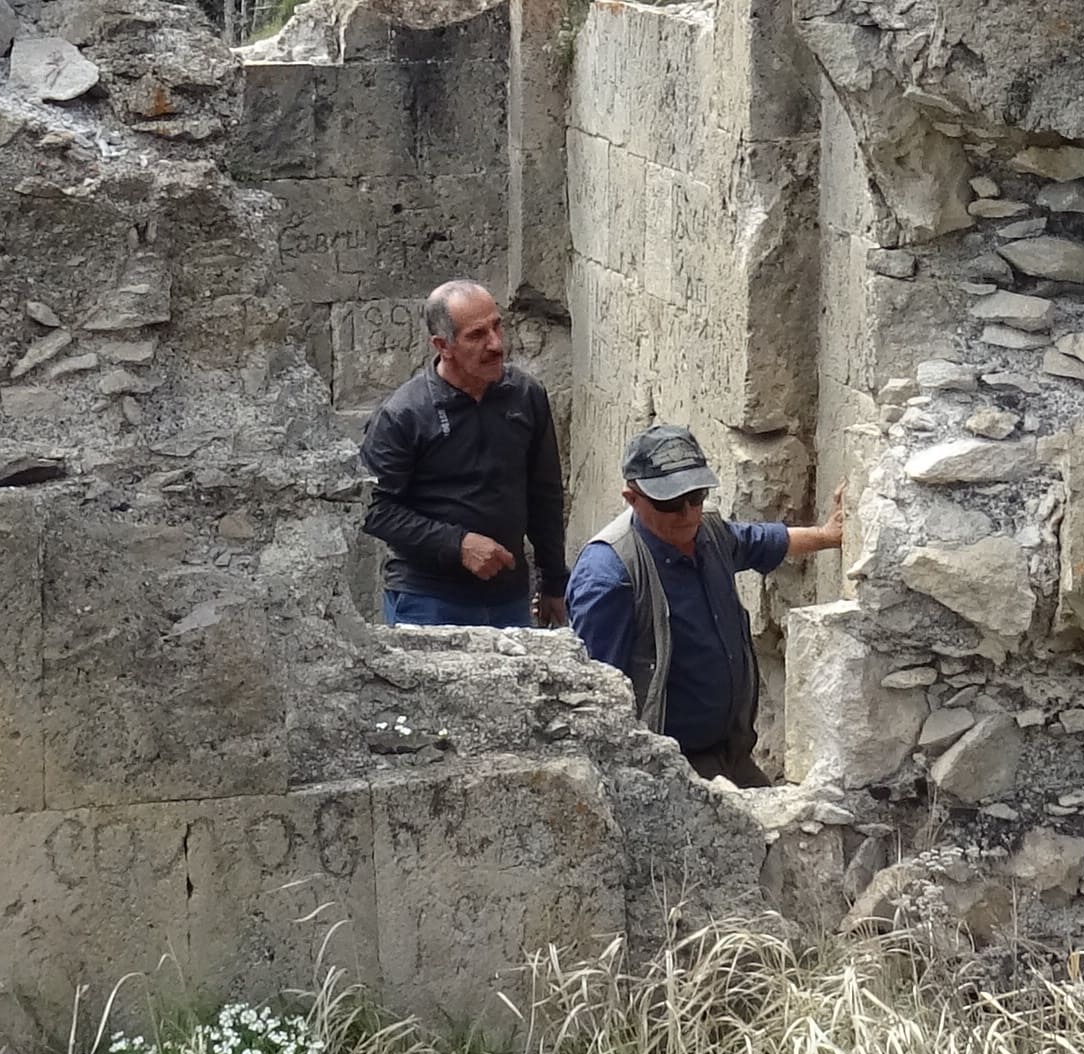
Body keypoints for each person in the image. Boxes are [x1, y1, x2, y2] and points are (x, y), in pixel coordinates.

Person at [566, 424, 848, 784]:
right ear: (632, 498)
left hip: (729, 753)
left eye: (696, 496)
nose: (687, 513)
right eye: (670, 502)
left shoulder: (709, 532)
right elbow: (598, 699)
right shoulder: (610, 576)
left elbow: (755, 541)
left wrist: (827, 535)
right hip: (667, 769)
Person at [358, 279, 567, 628]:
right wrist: (457, 544)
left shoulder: (525, 396)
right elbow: (373, 509)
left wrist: (554, 582)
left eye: (497, 326)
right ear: (443, 346)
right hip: (428, 598)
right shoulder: (404, 414)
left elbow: (544, 494)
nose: (496, 344)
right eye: (477, 335)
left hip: (510, 596)